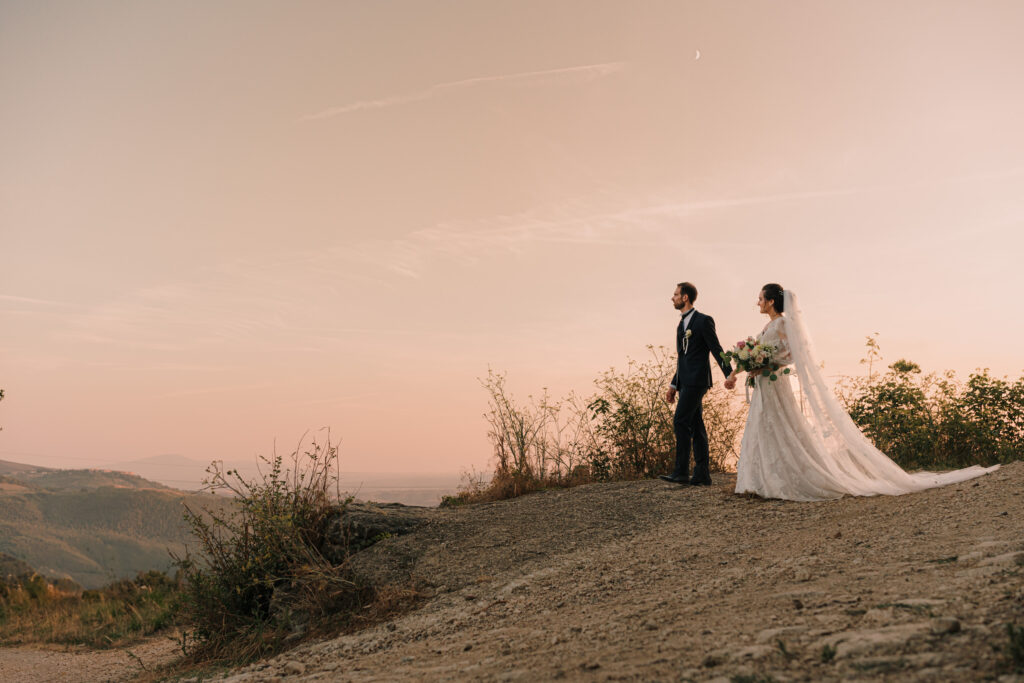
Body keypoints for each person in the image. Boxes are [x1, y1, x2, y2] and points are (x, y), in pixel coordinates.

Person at [725, 283, 999, 501]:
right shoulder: (766, 326)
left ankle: (785, 480)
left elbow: (791, 355)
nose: (757, 303)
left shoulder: (782, 324)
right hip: (764, 386)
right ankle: (759, 481)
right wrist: (741, 370)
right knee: (763, 427)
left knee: (781, 427)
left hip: (775, 384)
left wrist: (768, 363)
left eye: (760, 298)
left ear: (771, 301)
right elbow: (757, 354)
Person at [659, 282, 733, 486]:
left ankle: (681, 471)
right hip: (684, 382)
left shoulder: (703, 321)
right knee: (696, 424)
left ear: (685, 298)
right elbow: (682, 358)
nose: (672, 298)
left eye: (675, 294)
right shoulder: (680, 325)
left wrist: (729, 373)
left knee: (680, 421)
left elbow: (716, 348)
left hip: (698, 380)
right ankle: (702, 474)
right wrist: (673, 385)